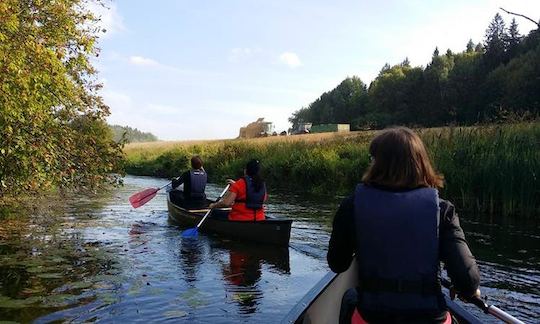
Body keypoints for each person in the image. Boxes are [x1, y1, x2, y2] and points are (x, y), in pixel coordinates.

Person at [327, 127, 480, 324]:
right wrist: (467, 288)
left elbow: (337, 264)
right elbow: (468, 280)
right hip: (429, 318)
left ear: (378, 164)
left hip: (373, 317)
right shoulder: (443, 210)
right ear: (421, 163)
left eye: (372, 159)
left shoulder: (352, 205)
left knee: (350, 297)